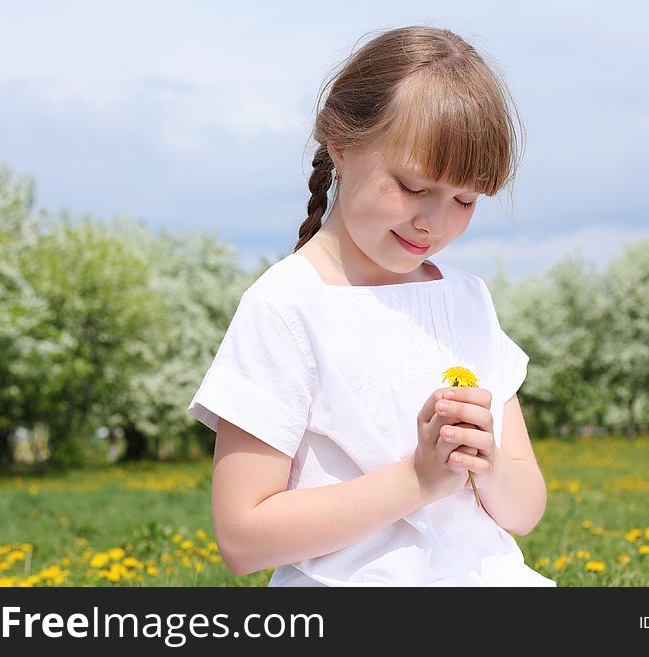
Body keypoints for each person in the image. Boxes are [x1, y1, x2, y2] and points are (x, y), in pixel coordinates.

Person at [187, 25, 555, 586]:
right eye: (411, 187)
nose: (433, 223)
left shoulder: (466, 300)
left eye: (464, 199)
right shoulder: (286, 307)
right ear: (341, 143)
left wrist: (488, 464)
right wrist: (418, 479)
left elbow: (525, 510)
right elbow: (242, 536)